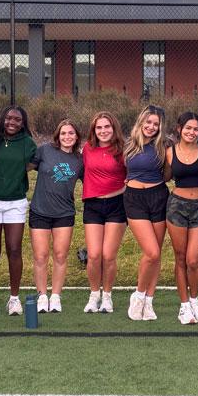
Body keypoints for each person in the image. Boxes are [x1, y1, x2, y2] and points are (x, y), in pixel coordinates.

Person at [0, 106, 37, 317]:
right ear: (3, 119)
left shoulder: (28, 143)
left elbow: (33, 164)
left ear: (23, 123)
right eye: (9, 118)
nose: (12, 122)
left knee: (14, 249)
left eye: (17, 120)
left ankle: (14, 299)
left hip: (16, 202)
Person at [29, 119, 83, 313]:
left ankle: (56, 296)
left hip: (64, 213)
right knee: (41, 256)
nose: (67, 137)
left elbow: (92, 180)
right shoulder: (44, 151)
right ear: (57, 136)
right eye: (63, 133)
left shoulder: (79, 160)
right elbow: (25, 167)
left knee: (60, 255)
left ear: (76, 136)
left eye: (71, 133)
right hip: (40, 211)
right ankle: (42, 295)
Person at [165, 112, 198, 324]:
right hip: (177, 208)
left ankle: (194, 300)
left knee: (193, 260)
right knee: (181, 258)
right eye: (188, 128)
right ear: (179, 129)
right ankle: (184, 306)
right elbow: (163, 178)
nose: (191, 132)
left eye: (195, 129)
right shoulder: (169, 153)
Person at [125, 105, 169, 321]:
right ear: (141, 122)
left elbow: (170, 172)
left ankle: (149, 301)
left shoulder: (164, 146)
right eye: (148, 122)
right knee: (151, 252)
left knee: (157, 253)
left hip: (159, 197)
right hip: (135, 199)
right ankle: (138, 296)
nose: (151, 127)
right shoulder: (128, 145)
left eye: (156, 124)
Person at [82, 111, 127, 313]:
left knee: (108, 255)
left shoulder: (123, 150)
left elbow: (133, 174)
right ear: (94, 130)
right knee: (93, 255)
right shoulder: (87, 149)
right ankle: (94, 295)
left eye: (107, 127)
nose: (103, 131)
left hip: (117, 205)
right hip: (93, 205)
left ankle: (107, 296)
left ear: (114, 128)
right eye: (99, 127)